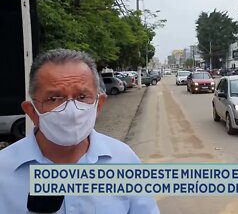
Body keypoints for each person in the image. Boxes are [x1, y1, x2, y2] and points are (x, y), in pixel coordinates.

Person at [0, 49, 160, 213]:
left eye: (82, 97)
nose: (71, 111)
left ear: (99, 105)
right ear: (32, 112)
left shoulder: (125, 160)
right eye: (54, 99)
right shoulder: (3, 170)